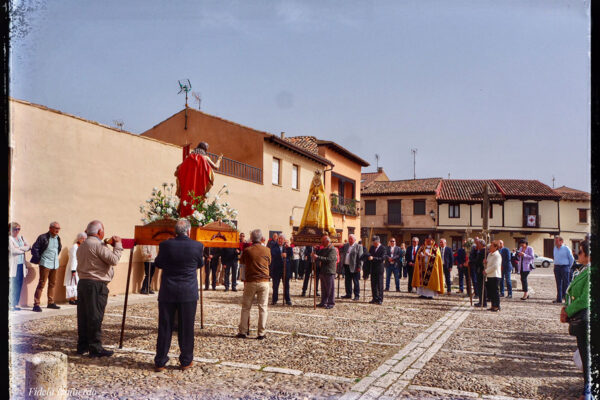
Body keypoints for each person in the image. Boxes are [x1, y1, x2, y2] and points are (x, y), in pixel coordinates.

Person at [153, 219, 205, 371]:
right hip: (188, 292)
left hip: (168, 290)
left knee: (165, 326)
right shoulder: (197, 246)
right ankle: (186, 360)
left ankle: (160, 361)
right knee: (187, 327)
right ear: (189, 231)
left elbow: (158, 263)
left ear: (175, 231)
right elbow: (200, 264)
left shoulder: (165, 245)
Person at [76, 220, 123, 357]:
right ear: (99, 232)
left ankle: (82, 345)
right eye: (103, 230)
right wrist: (118, 245)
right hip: (96, 284)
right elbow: (114, 260)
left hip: (83, 283)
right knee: (95, 316)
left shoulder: (83, 244)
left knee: (84, 316)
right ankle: (95, 347)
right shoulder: (97, 244)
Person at [560, 240, 591, 400]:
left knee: (588, 357)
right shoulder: (585, 269)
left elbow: (586, 298)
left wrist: (568, 311)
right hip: (582, 319)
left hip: (587, 320)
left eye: (580, 252)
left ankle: (589, 391)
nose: (577, 254)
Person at [237, 229, 272, 340]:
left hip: (251, 281)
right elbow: (269, 262)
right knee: (263, 308)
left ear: (251, 239)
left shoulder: (247, 250)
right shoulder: (267, 250)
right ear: (261, 238)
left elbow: (242, 263)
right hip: (264, 281)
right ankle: (261, 333)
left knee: (246, 307)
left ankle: (243, 331)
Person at [175, 142, 223, 217]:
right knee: (198, 202)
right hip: (199, 186)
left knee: (186, 201)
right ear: (205, 150)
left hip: (188, 186)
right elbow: (216, 167)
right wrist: (219, 159)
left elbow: (178, 168)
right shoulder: (205, 157)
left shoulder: (189, 157)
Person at [31, 221, 63, 312]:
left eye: (58, 228)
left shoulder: (58, 238)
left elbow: (58, 249)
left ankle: (50, 302)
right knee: (41, 284)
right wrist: (39, 259)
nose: (57, 230)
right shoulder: (43, 237)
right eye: (56, 228)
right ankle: (36, 304)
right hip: (45, 263)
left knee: (52, 284)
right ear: (50, 228)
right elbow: (35, 248)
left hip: (54, 264)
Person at [298, 171, 337, 236]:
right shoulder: (311, 193)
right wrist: (313, 197)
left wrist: (318, 197)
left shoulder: (323, 195)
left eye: (317, 180)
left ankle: (321, 228)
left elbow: (321, 196)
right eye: (315, 180)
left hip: (319, 209)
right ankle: (309, 227)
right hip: (312, 209)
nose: (316, 182)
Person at [311, 234, 338, 309]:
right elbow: (318, 254)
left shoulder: (332, 249)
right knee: (323, 288)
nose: (321, 243)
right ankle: (323, 302)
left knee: (330, 288)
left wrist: (318, 257)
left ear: (327, 241)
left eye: (323, 241)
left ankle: (331, 303)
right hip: (323, 270)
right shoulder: (324, 249)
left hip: (329, 271)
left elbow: (329, 259)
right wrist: (315, 249)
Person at [9, 222, 30, 311]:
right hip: (13, 265)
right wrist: (23, 249)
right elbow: (13, 251)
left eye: (18, 229)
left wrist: (19, 249)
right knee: (13, 285)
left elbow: (29, 246)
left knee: (19, 284)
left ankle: (15, 304)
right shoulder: (9, 239)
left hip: (21, 264)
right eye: (15, 229)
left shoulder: (21, 237)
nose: (17, 231)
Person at [270, 234, 292, 305]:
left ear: (284, 240)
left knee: (286, 285)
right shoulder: (273, 246)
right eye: (279, 239)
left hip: (285, 268)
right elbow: (272, 253)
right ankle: (274, 299)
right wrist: (281, 255)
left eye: (282, 239)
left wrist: (289, 248)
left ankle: (287, 299)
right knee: (275, 285)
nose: (280, 240)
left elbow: (291, 255)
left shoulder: (286, 247)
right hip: (277, 268)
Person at [65, 232, 87, 305]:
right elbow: (73, 258)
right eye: (82, 238)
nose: (84, 240)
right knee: (72, 283)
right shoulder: (74, 247)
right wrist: (73, 270)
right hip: (73, 268)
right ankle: (71, 299)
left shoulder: (82, 246)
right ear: (78, 239)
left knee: (77, 283)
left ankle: (76, 298)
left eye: (85, 239)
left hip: (80, 268)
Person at [339, 234, 363, 301]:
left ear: (355, 240)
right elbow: (341, 250)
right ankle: (348, 294)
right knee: (347, 281)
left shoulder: (358, 246)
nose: (350, 240)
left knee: (355, 282)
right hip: (346, 266)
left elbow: (360, 258)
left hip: (354, 267)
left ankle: (356, 295)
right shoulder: (346, 245)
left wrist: (359, 267)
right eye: (349, 238)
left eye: (351, 239)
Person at [364, 236, 386, 304]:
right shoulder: (372, 247)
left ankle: (380, 299)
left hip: (379, 269)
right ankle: (374, 298)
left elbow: (382, 258)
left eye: (375, 242)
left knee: (379, 284)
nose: (373, 244)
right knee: (373, 284)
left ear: (378, 242)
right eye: (373, 242)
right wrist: (367, 255)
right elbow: (370, 254)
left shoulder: (383, 248)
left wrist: (373, 258)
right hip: (373, 268)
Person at [552, 235, 575, 304]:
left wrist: (569, 267)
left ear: (561, 241)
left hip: (565, 267)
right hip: (557, 267)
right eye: (555, 241)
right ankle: (559, 298)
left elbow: (571, 258)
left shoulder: (566, 248)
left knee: (566, 284)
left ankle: (567, 299)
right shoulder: (555, 248)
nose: (555, 242)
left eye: (557, 241)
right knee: (558, 283)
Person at [484, 241, 502, 312]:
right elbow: (488, 264)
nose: (490, 247)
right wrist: (485, 263)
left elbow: (495, 266)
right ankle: (492, 305)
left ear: (495, 247)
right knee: (491, 292)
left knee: (495, 292)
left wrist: (486, 271)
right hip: (489, 276)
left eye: (491, 246)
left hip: (495, 275)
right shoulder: (489, 255)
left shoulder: (497, 255)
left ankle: (497, 306)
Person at [473, 239, 487, 307]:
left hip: (481, 271)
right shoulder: (480, 251)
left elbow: (478, 261)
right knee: (480, 287)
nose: (477, 245)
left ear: (481, 244)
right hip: (479, 271)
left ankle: (483, 302)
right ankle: (481, 301)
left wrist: (471, 262)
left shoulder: (483, 251)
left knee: (482, 287)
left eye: (478, 244)